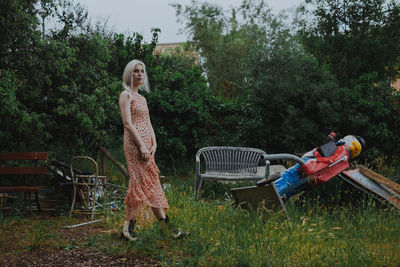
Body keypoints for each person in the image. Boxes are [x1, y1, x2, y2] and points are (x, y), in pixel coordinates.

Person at [118, 59, 187, 241]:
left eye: (142, 71)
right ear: (129, 74)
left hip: (148, 148)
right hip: (135, 147)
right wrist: (141, 145)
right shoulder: (126, 95)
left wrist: (154, 143)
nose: (140, 74)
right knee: (139, 184)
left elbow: (148, 123)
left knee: (152, 185)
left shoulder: (142, 98)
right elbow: (128, 123)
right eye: (136, 71)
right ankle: (130, 228)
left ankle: (165, 228)